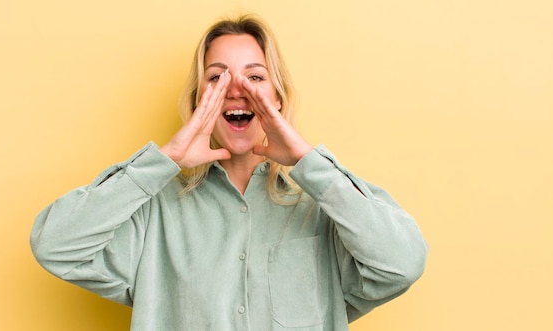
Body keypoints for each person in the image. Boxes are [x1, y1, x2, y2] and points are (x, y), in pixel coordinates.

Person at [30, 14, 428, 331]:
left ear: (277, 98)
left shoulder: (324, 208)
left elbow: (403, 263)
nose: (237, 90)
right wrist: (164, 160)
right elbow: (55, 246)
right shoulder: (155, 211)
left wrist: (309, 162)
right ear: (197, 100)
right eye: (217, 78)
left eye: (255, 78)